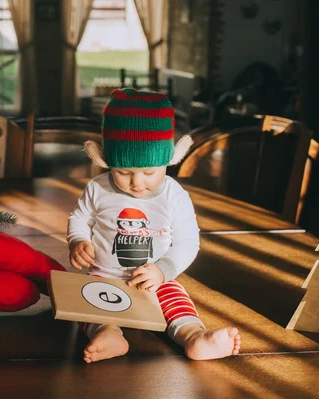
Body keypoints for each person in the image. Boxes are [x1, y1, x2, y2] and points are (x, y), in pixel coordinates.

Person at [67, 88, 241, 363]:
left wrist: (163, 270)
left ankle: (193, 336)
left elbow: (187, 242)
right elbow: (79, 217)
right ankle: (108, 332)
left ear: (168, 161)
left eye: (149, 172)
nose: (137, 182)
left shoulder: (174, 195)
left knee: (175, 299)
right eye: (123, 171)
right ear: (107, 161)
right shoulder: (97, 188)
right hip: (105, 276)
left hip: (155, 281)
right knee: (87, 304)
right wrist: (78, 240)